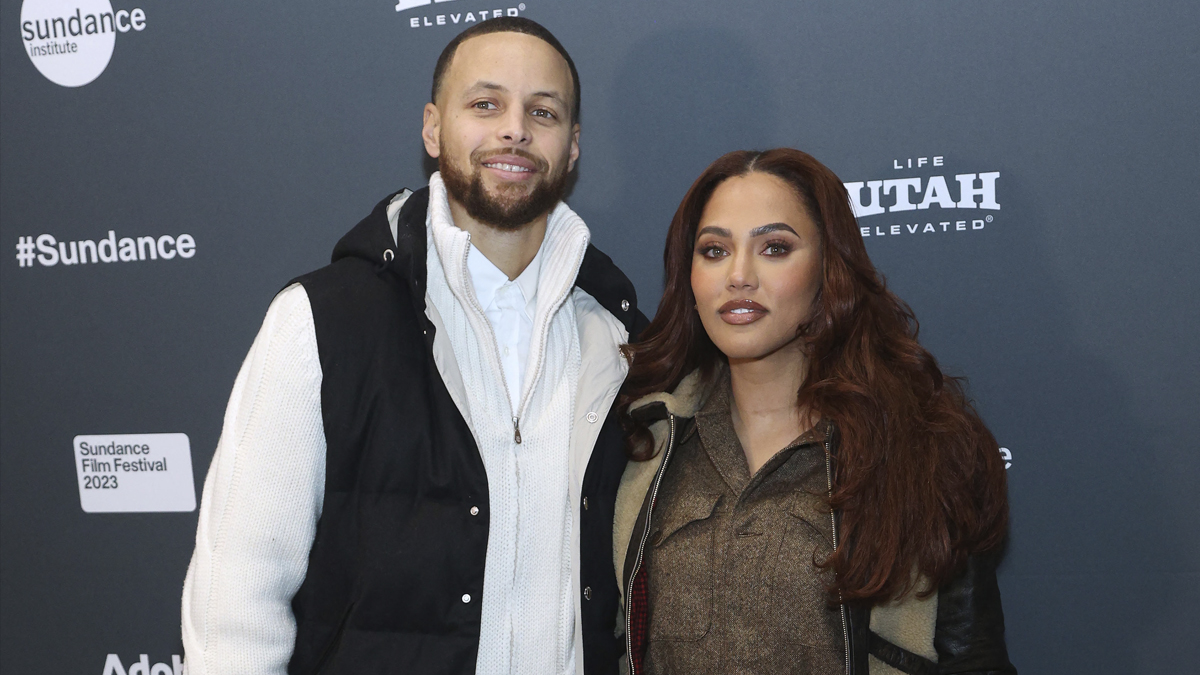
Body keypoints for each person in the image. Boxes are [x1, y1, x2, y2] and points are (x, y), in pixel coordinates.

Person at [182, 17, 647, 675]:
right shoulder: (321, 320)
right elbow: (235, 600)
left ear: (572, 147)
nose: (514, 127)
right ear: (433, 128)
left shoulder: (619, 340)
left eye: (542, 112)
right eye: (485, 104)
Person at [613, 149, 1015, 675]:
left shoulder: (917, 448)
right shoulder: (644, 442)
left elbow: (973, 662)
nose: (739, 275)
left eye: (774, 248)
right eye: (713, 250)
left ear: (830, 269)